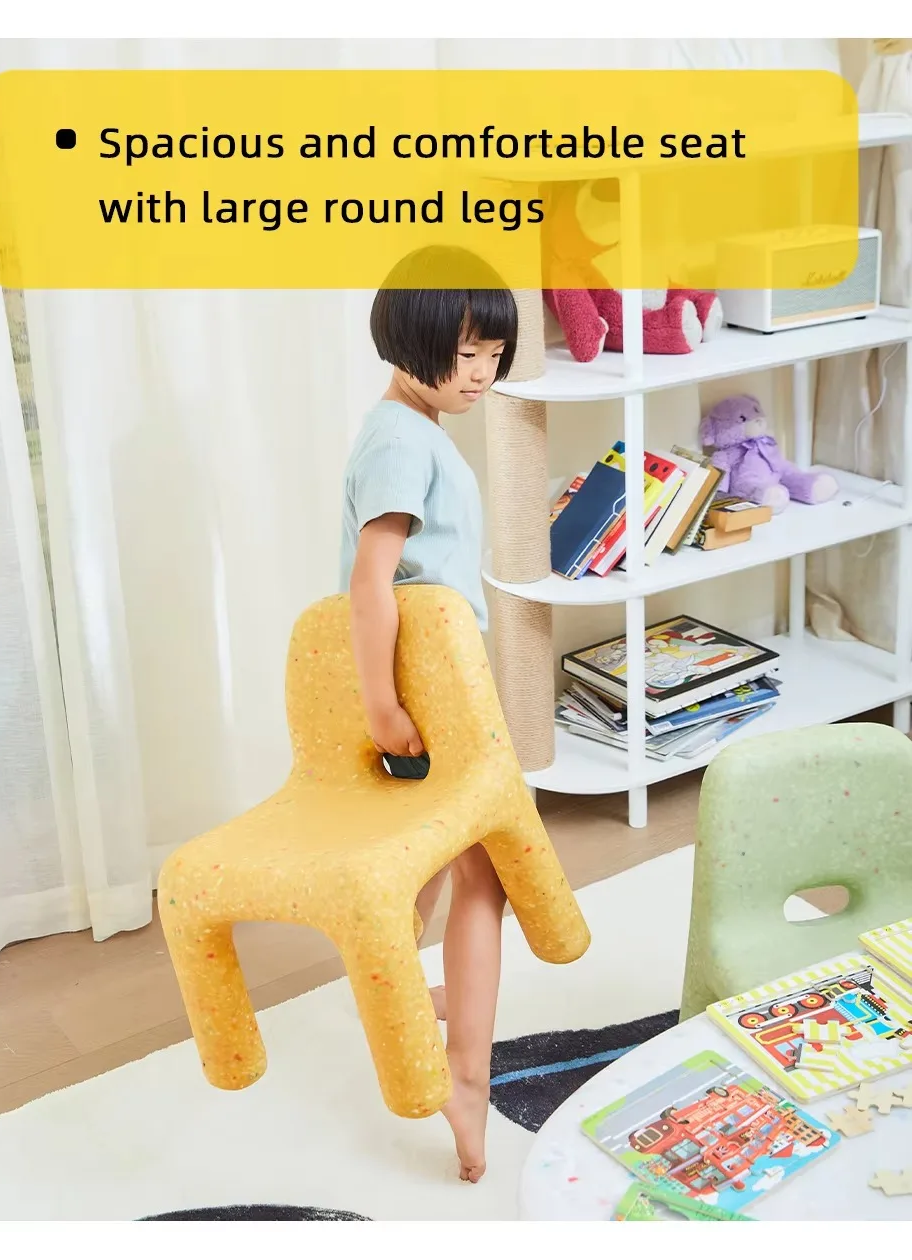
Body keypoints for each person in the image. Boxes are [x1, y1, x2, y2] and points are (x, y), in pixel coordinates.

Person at [339, 246, 519, 1183]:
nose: (481, 373)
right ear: (408, 341)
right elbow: (373, 580)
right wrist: (381, 704)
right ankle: (466, 1077)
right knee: (484, 875)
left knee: (436, 870)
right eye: (464, 353)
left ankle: (410, 997)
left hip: (443, 683)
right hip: (435, 693)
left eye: (493, 354)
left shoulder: (408, 428)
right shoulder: (402, 442)